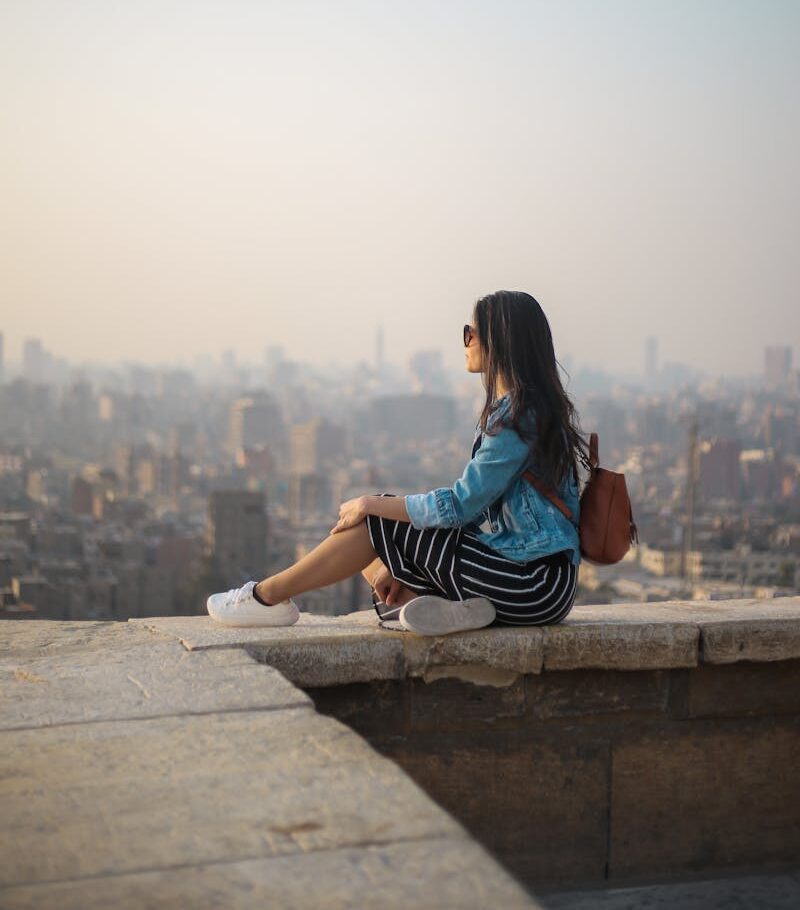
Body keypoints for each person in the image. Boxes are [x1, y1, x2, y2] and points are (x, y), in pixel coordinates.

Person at [207, 289, 589, 635]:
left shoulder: (518, 418)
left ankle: (266, 597)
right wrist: (402, 560)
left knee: (373, 518)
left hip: (533, 584)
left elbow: (459, 505)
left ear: (500, 340)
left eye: (472, 333)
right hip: (534, 586)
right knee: (384, 573)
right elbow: (474, 513)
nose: (467, 341)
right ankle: (450, 607)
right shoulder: (527, 411)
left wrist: (373, 503)